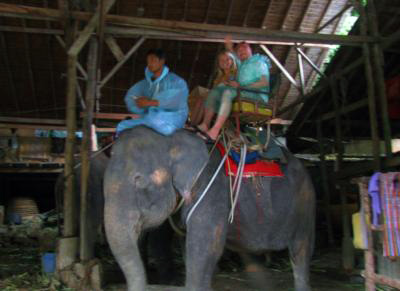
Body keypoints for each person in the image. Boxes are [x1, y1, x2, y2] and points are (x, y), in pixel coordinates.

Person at [199, 40, 271, 141]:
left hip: (257, 96)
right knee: (215, 91)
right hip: (243, 93)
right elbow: (231, 56)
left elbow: (264, 83)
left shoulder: (258, 62)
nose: (241, 51)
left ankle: (214, 131)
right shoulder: (242, 65)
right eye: (238, 50)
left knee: (227, 93)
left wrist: (241, 87)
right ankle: (205, 124)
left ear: (250, 49)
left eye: (244, 48)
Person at [116, 49, 189, 136]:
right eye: (148, 61)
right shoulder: (145, 84)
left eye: (153, 60)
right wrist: (139, 103)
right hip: (151, 118)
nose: (150, 63)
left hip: (172, 118)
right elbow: (131, 96)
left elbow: (177, 101)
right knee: (122, 125)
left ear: (162, 61)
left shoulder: (176, 81)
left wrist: (150, 102)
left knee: (155, 120)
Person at [197, 50, 237, 136]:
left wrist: (233, 84)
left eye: (227, 59)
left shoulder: (237, 72)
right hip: (218, 97)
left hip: (230, 96)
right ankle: (205, 124)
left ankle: (214, 129)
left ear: (233, 60)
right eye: (221, 60)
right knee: (209, 95)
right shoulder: (219, 76)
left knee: (218, 93)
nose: (224, 62)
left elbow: (240, 85)